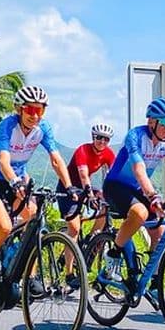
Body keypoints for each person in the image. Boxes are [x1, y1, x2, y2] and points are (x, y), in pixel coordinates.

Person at [0, 85, 81, 301]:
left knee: (34, 218)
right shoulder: (7, 126)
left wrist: (68, 186)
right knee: (3, 226)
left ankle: (30, 276)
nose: (35, 115)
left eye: (40, 110)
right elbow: (3, 161)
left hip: (18, 179)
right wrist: (14, 182)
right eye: (30, 110)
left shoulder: (43, 128)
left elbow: (56, 159)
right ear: (19, 109)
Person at [101, 97, 165, 308]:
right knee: (139, 213)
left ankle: (155, 285)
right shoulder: (135, 136)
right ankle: (112, 256)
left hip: (139, 189)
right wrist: (152, 195)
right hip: (116, 186)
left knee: (159, 230)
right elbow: (138, 169)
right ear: (152, 122)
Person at [57, 123, 116, 289]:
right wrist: (90, 195)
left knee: (105, 211)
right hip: (69, 188)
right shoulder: (83, 150)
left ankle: (90, 240)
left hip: (86, 188)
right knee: (74, 229)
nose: (102, 142)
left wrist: (111, 193)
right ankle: (69, 274)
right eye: (99, 138)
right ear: (93, 138)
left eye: (106, 139)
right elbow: (83, 176)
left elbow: (114, 174)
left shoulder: (108, 153)